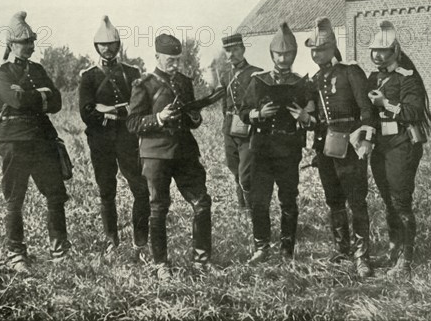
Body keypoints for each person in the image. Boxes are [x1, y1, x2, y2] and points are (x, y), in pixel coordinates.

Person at [0, 11, 71, 272]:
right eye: (25, 42)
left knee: (56, 195)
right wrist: (41, 94)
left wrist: (31, 94)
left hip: (43, 140)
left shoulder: (38, 70)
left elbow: (56, 102)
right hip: (14, 142)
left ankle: (60, 251)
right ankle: (17, 255)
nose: (31, 46)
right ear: (11, 44)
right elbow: (16, 101)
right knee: (15, 199)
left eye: (33, 41)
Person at [126, 34, 212, 280]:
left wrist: (194, 116)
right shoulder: (144, 84)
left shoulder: (184, 82)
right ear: (156, 57)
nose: (175, 64)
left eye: (177, 59)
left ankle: (202, 262)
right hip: (156, 155)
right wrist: (159, 118)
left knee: (202, 202)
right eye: (170, 60)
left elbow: (192, 119)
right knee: (158, 208)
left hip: (184, 153)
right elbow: (132, 123)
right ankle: (161, 264)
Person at [239, 22, 315, 264]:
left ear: (294, 55)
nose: (283, 58)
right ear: (272, 55)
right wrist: (258, 114)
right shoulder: (258, 81)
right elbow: (243, 111)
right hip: (261, 150)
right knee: (259, 201)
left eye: (288, 54)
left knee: (288, 201)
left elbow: (313, 117)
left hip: (289, 150)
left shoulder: (302, 83)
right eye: (279, 54)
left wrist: (304, 116)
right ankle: (261, 247)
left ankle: (286, 250)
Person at [306, 17, 375, 278]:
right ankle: (342, 248)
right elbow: (316, 118)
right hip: (325, 147)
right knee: (333, 199)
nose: (316, 54)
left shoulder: (350, 72)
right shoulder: (314, 80)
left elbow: (366, 110)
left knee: (357, 200)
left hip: (350, 145)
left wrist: (366, 139)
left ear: (333, 47)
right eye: (313, 50)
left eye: (320, 49)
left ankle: (362, 256)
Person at [367, 20, 431, 278]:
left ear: (394, 51)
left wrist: (385, 103)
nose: (377, 55)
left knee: (400, 201)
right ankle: (394, 249)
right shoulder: (373, 77)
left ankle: (406, 258)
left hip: (402, 144)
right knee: (387, 200)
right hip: (381, 146)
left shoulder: (408, 77)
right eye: (374, 50)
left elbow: (412, 111)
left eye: (382, 50)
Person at [79, 16, 150, 254]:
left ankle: (140, 240)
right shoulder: (88, 76)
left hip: (128, 137)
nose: (107, 49)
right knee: (106, 190)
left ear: (118, 45)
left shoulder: (132, 73)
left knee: (140, 188)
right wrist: (118, 110)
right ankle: (111, 239)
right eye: (103, 45)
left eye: (112, 44)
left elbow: (140, 107)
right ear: (96, 47)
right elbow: (87, 113)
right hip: (100, 140)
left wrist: (104, 109)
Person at [217, 33, 263, 218]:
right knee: (234, 168)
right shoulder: (225, 75)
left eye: (235, 49)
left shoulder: (256, 73)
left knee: (246, 174)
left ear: (243, 49)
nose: (231, 54)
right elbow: (224, 104)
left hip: (248, 128)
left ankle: (253, 211)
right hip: (229, 128)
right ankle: (242, 209)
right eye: (228, 50)